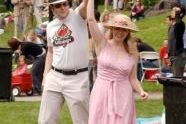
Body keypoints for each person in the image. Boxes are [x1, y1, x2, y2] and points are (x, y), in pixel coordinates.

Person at [87, 0, 148, 123]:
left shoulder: (133, 52)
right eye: (117, 28)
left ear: (128, 32)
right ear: (112, 28)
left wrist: (141, 91)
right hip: (101, 92)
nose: (120, 32)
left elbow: (133, 78)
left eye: (124, 30)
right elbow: (91, 20)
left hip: (123, 95)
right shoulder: (102, 44)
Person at [38, 0, 89, 123]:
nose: (62, 8)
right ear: (52, 8)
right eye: (58, 5)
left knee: (82, 121)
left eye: (65, 4)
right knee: (45, 120)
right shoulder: (50, 26)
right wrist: (46, 76)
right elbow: (50, 52)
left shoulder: (78, 16)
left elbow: (85, 4)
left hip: (78, 78)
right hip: (54, 77)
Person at [167, 6, 186, 77]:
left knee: (177, 76)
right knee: (174, 77)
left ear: (179, 14)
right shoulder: (172, 26)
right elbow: (170, 41)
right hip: (173, 55)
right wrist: (169, 55)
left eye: (174, 11)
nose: (172, 11)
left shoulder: (180, 24)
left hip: (179, 55)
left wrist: (177, 13)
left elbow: (179, 22)